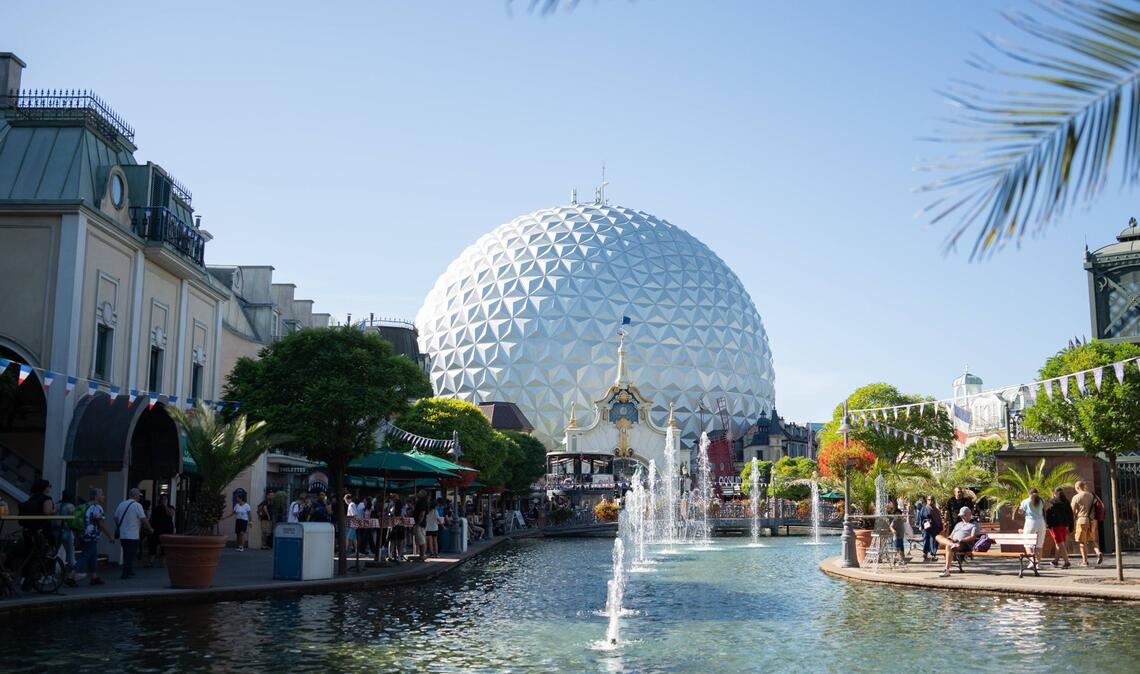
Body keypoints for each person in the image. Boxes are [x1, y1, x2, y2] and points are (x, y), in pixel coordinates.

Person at [18, 479, 55, 592]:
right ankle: (35, 577)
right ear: (45, 488)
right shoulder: (46, 499)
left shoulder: (30, 499)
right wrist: (54, 510)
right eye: (49, 486)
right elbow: (47, 512)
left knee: (29, 554)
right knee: (43, 553)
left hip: (28, 531)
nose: (49, 488)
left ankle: (25, 579)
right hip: (41, 531)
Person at [76, 488, 113, 586]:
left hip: (83, 534)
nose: (103, 496)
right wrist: (110, 536)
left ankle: (94, 577)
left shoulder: (86, 505)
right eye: (102, 495)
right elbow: (101, 524)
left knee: (93, 556)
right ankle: (71, 576)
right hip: (91, 535)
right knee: (85, 556)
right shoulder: (97, 507)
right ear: (96, 496)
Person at [113, 488, 151, 579]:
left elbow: (115, 517)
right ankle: (125, 572)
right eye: (139, 496)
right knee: (131, 554)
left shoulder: (121, 504)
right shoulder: (137, 505)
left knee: (126, 553)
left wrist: (120, 525)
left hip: (123, 534)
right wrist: (149, 528)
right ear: (136, 496)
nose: (139, 497)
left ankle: (129, 570)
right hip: (133, 534)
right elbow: (143, 518)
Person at [936, 506, 981, 578]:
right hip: (954, 542)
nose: (962, 517)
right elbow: (951, 535)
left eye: (964, 515)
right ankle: (952, 544)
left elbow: (973, 537)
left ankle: (946, 570)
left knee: (948, 546)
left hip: (965, 543)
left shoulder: (974, 524)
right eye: (961, 515)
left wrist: (961, 540)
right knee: (938, 537)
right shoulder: (959, 524)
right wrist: (949, 539)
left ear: (969, 514)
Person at [1017, 488, 1046, 569]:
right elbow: (1046, 507)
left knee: (1027, 543)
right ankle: (1038, 564)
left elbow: (1021, 511)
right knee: (1039, 544)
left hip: (1030, 522)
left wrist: (1020, 510)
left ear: (1029, 493)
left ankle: (1031, 561)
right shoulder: (1041, 500)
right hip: (1041, 522)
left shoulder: (1025, 501)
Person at [55, 489, 78, 587]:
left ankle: (49, 574)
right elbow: (74, 520)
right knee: (70, 554)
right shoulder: (70, 506)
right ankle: (72, 575)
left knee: (53, 553)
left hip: (55, 531)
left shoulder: (56, 505)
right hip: (66, 530)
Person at [1045, 487, 1073, 568]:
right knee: (1059, 543)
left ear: (1054, 493)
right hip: (1064, 525)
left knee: (1060, 543)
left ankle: (1067, 562)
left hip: (1055, 525)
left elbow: (1048, 514)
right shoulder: (1066, 502)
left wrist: (1048, 524)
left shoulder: (1052, 502)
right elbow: (1070, 514)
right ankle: (1055, 561)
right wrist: (1070, 525)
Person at [1071, 480, 1096, 567]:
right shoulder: (1091, 495)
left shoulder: (1076, 497)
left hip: (1081, 520)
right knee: (1092, 539)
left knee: (1082, 542)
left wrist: (1071, 522)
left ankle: (1085, 561)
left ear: (1077, 488)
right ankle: (1098, 552)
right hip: (1091, 520)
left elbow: (1072, 511)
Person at [147, 494, 174, 566]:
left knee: (164, 545)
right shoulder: (156, 508)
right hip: (156, 529)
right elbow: (152, 518)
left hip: (167, 529)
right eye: (162, 499)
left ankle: (163, 561)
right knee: (153, 544)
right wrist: (149, 527)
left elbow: (170, 514)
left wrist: (165, 506)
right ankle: (151, 561)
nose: (164, 500)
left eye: (165, 499)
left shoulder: (170, 507)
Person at [917, 495, 943, 562]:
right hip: (926, 527)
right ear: (927, 500)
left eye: (931, 499)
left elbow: (939, 519)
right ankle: (925, 553)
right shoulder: (924, 509)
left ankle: (933, 554)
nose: (930, 501)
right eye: (929, 499)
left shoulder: (936, 510)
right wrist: (920, 525)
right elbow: (920, 518)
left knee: (934, 541)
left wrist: (940, 526)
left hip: (934, 527)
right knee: (926, 540)